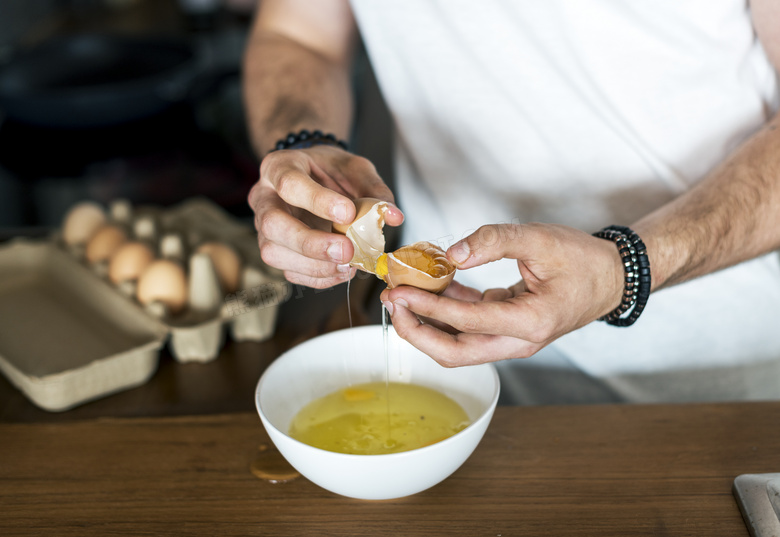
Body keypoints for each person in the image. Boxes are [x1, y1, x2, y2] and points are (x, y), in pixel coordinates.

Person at [244, 0, 780, 404]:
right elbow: (298, 35)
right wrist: (302, 145)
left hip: (712, 385)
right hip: (451, 357)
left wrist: (627, 268)